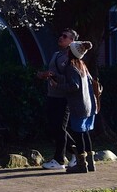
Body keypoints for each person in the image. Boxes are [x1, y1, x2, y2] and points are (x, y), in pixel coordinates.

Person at [49, 40, 98, 174]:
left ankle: (81, 165)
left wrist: (57, 85)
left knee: (78, 135)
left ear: (71, 52)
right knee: (85, 133)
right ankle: (91, 163)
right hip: (89, 105)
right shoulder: (82, 65)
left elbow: (74, 86)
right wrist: (57, 77)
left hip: (78, 106)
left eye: (69, 49)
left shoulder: (71, 66)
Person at [37, 28, 79, 170]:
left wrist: (54, 77)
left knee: (60, 128)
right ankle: (77, 152)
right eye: (61, 35)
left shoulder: (71, 58)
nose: (61, 37)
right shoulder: (56, 55)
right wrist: (44, 74)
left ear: (72, 41)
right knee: (53, 127)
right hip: (52, 95)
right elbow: (52, 72)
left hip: (63, 97)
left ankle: (60, 159)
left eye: (65, 36)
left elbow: (70, 80)